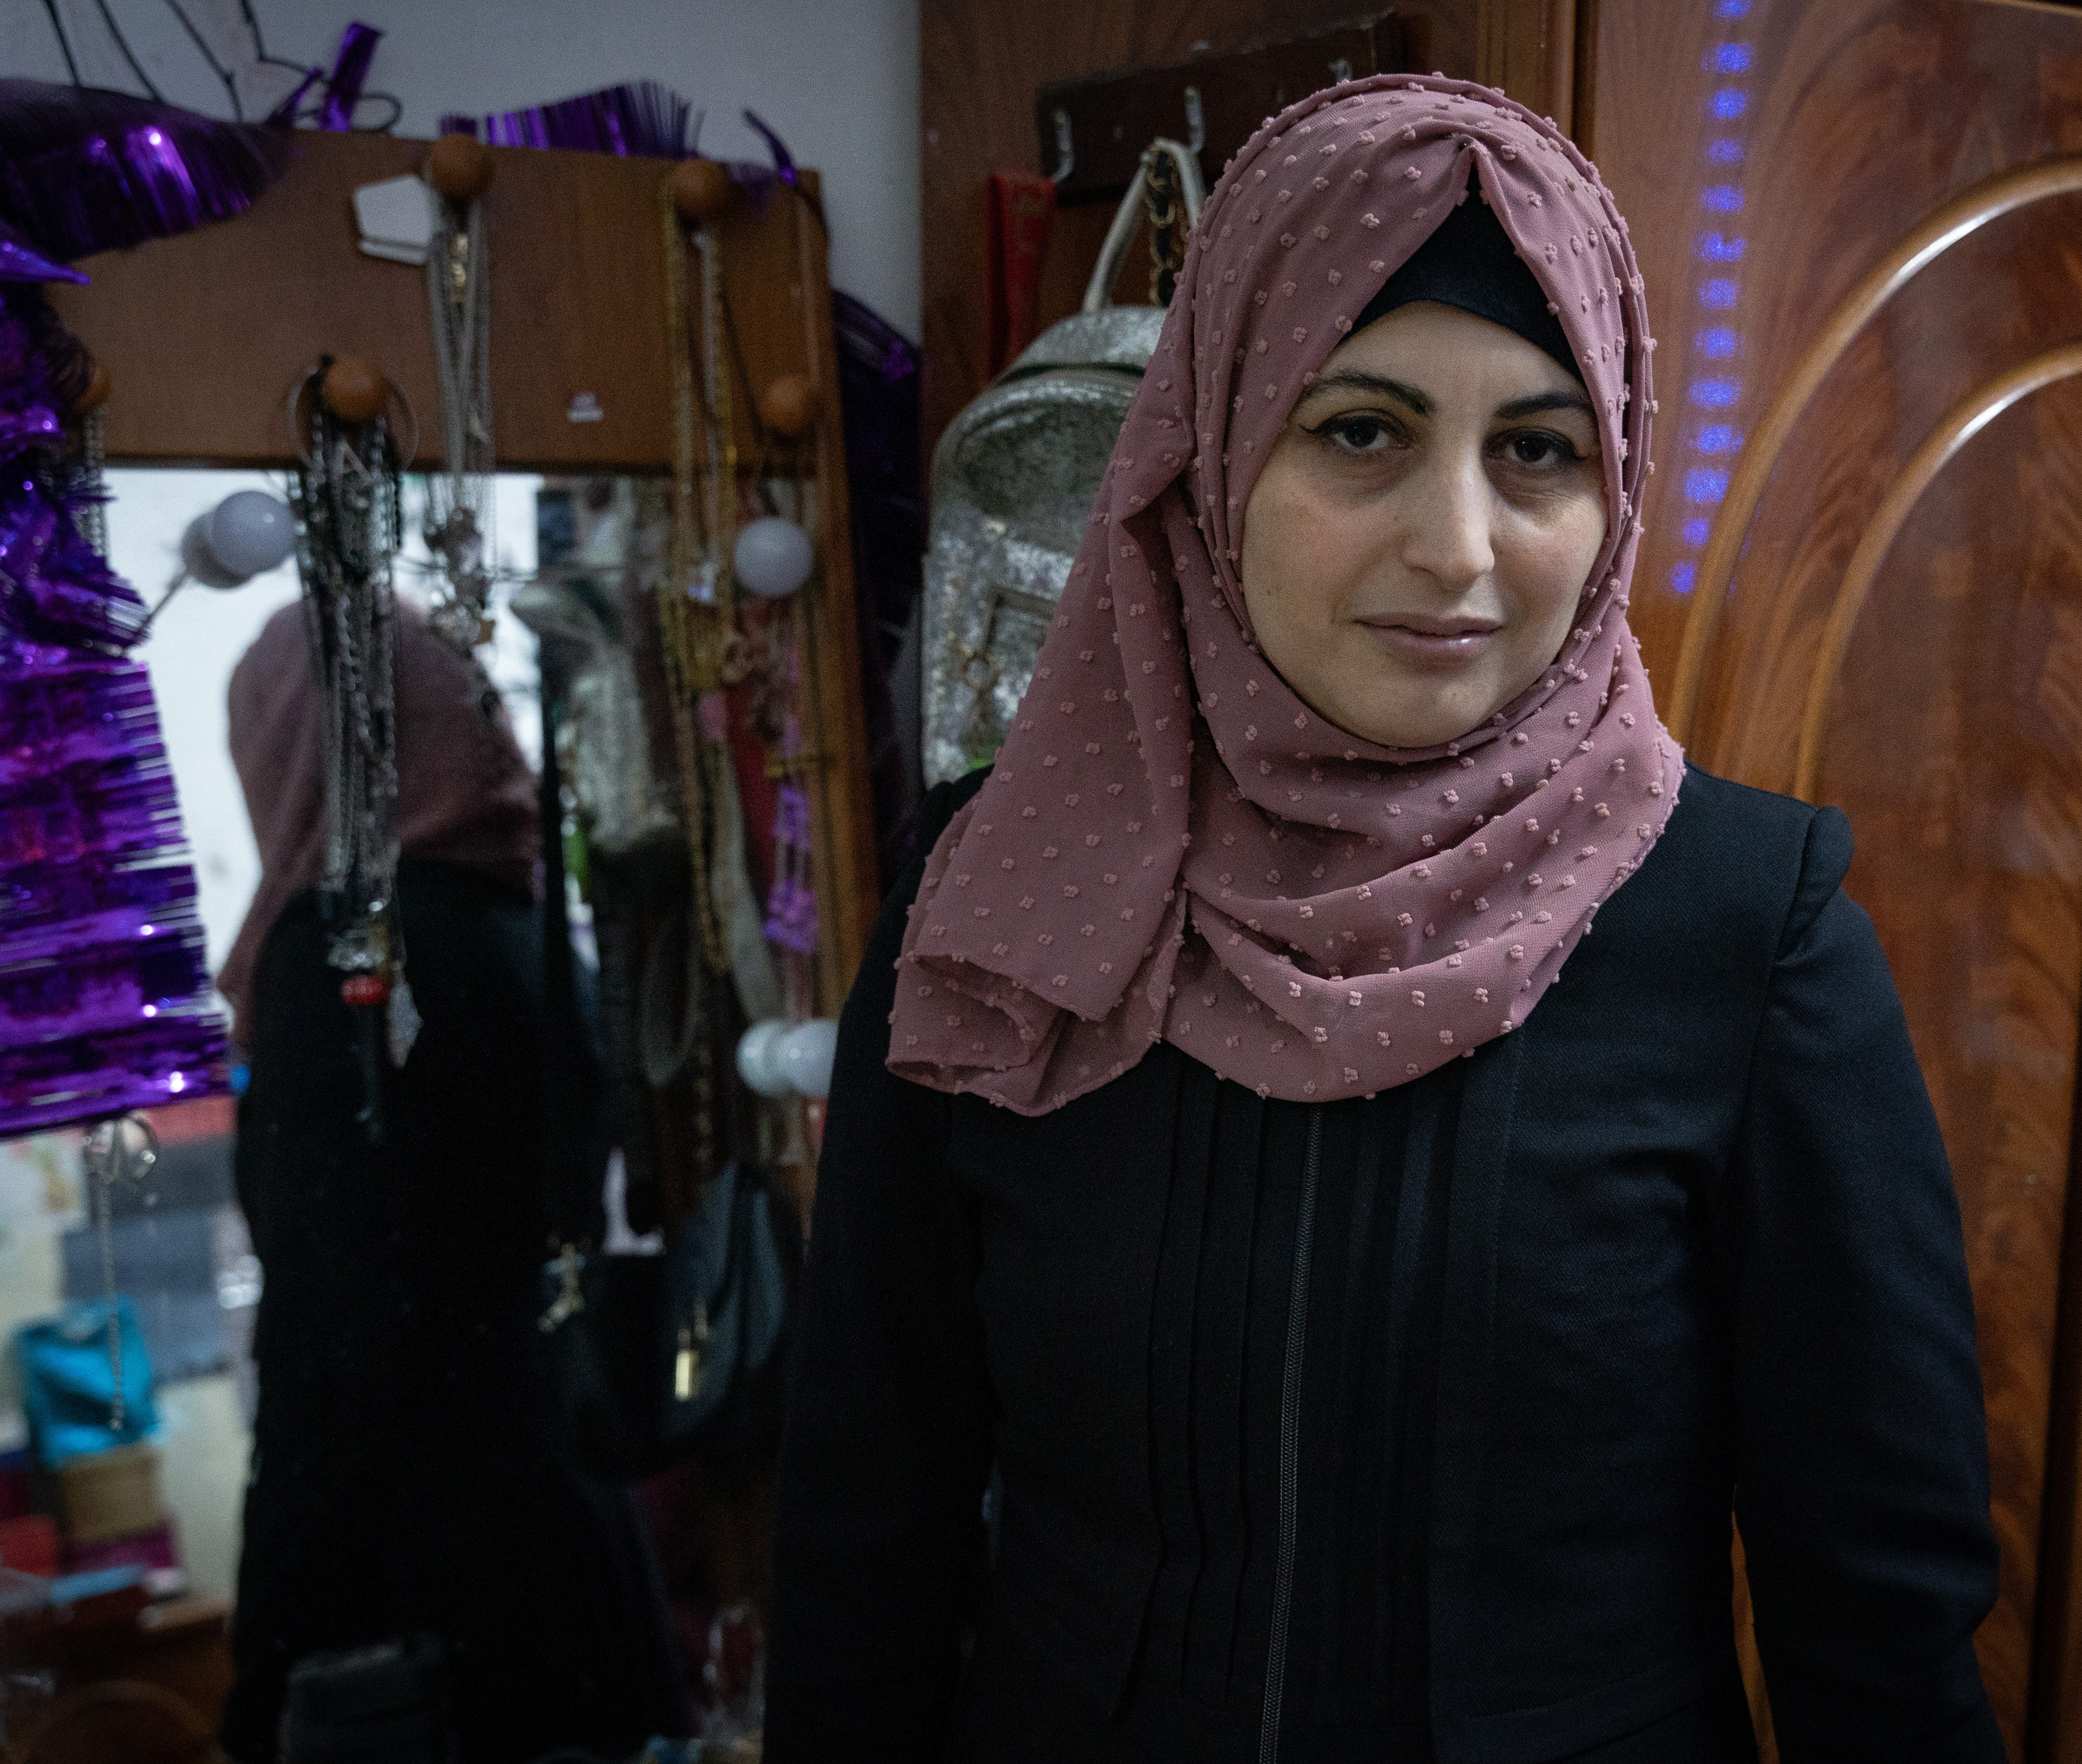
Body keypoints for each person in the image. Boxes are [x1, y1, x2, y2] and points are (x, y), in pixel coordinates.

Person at [766, 76, 2003, 1764]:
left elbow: (1879, 1607)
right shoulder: (1012, 889)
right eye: (1362, 430)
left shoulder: (1745, 934)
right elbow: (866, 1527)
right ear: (1211, 446)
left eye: (1541, 450)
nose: (1458, 545)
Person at [218, 599, 686, 1762]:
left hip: (422, 1614)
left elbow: (328, 1350)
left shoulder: (347, 956)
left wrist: (263, 1665)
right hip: (569, 1553)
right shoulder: (517, 935)